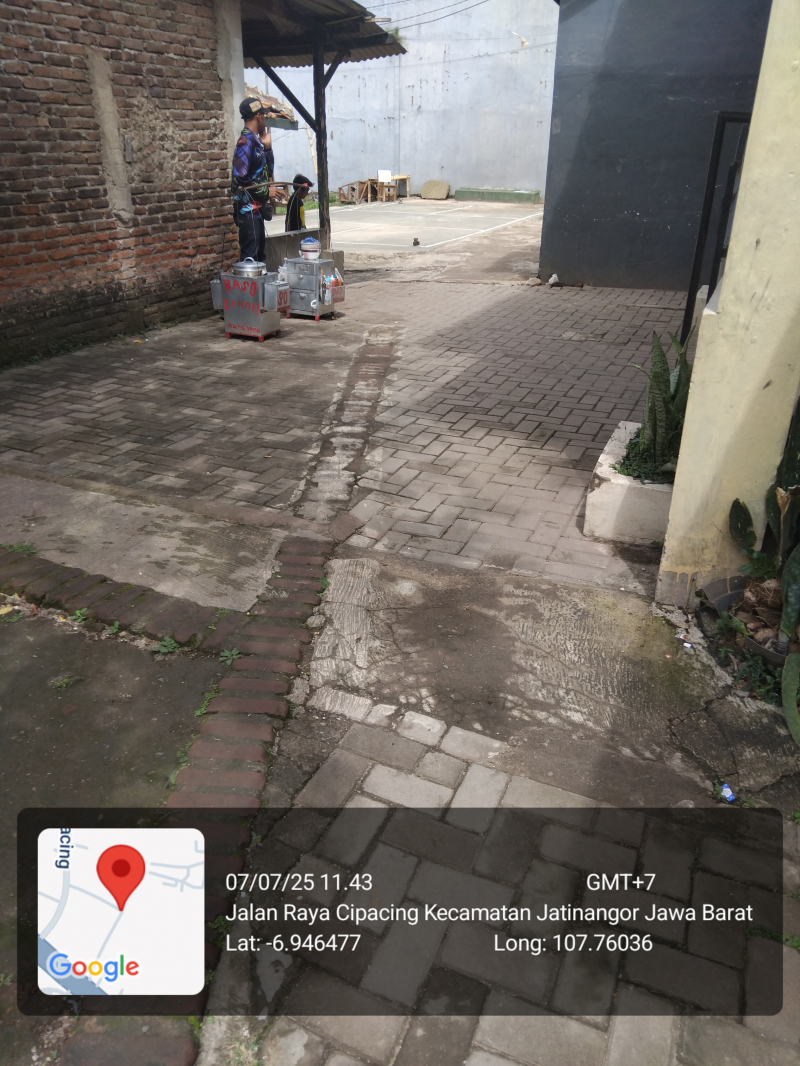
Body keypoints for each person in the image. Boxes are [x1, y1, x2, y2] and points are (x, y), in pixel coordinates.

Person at [230, 97, 275, 262]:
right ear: (258, 116)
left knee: (259, 260)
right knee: (250, 262)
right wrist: (266, 191)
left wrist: (267, 148)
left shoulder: (255, 143)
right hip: (247, 213)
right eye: (264, 115)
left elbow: (268, 172)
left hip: (256, 213)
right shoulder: (245, 143)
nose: (265, 119)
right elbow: (240, 177)